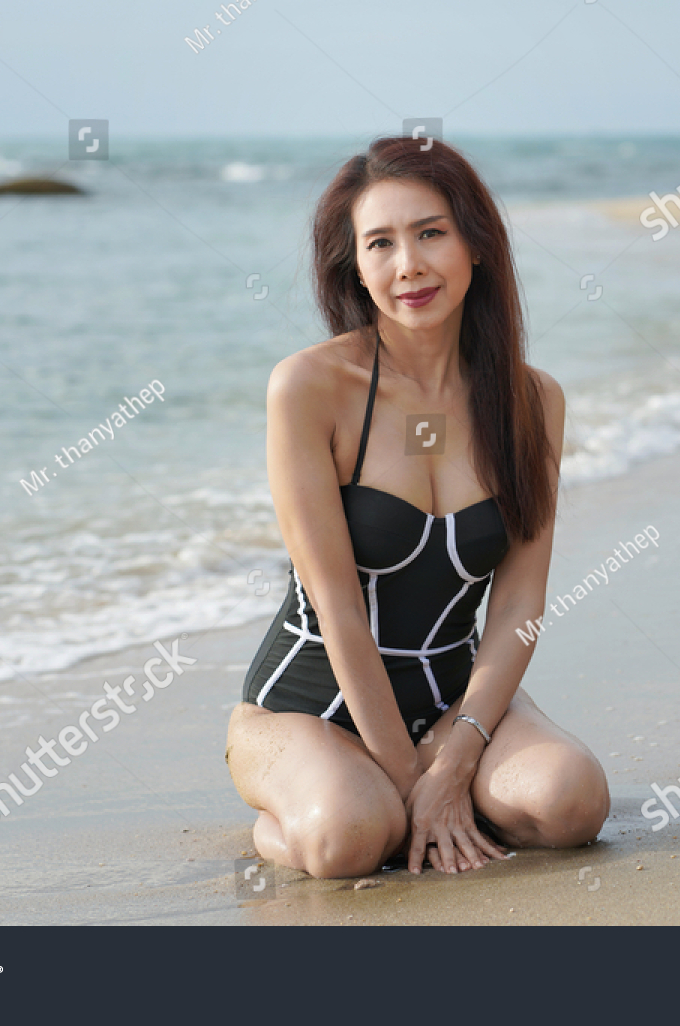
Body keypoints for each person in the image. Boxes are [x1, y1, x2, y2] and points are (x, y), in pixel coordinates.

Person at [225, 136, 608, 879]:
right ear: (355, 267)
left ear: (477, 243)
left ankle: (396, 801)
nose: (410, 265)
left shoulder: (533, 401)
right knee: (351, 838)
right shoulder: (310, 388)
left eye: (431, 232)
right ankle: (296, 811)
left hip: (446, 702)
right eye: (380, 243)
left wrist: (456, 758)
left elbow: (519, 603)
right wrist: (413, 784)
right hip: (307, 707)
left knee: (570, 802)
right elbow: (337, 606)